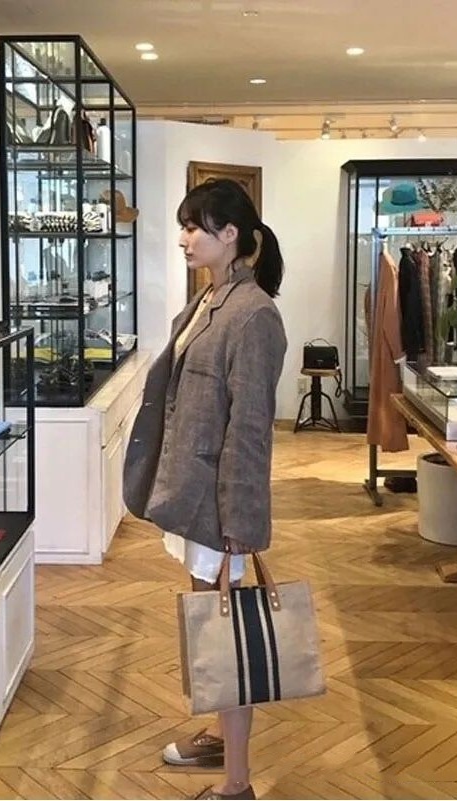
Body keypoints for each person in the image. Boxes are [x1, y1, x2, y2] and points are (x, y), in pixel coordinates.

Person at [123, 178, 287, 801]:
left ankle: (237, 783)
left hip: (220, 504)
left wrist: (240, 525)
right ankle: (220, 738)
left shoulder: (254, 314)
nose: (185, 238)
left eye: (196, 227)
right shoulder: (208, 301)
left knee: (225, 635)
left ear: (231, 234)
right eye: (184, 226)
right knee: (207, 627)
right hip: (190, 491)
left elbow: (251, 431)